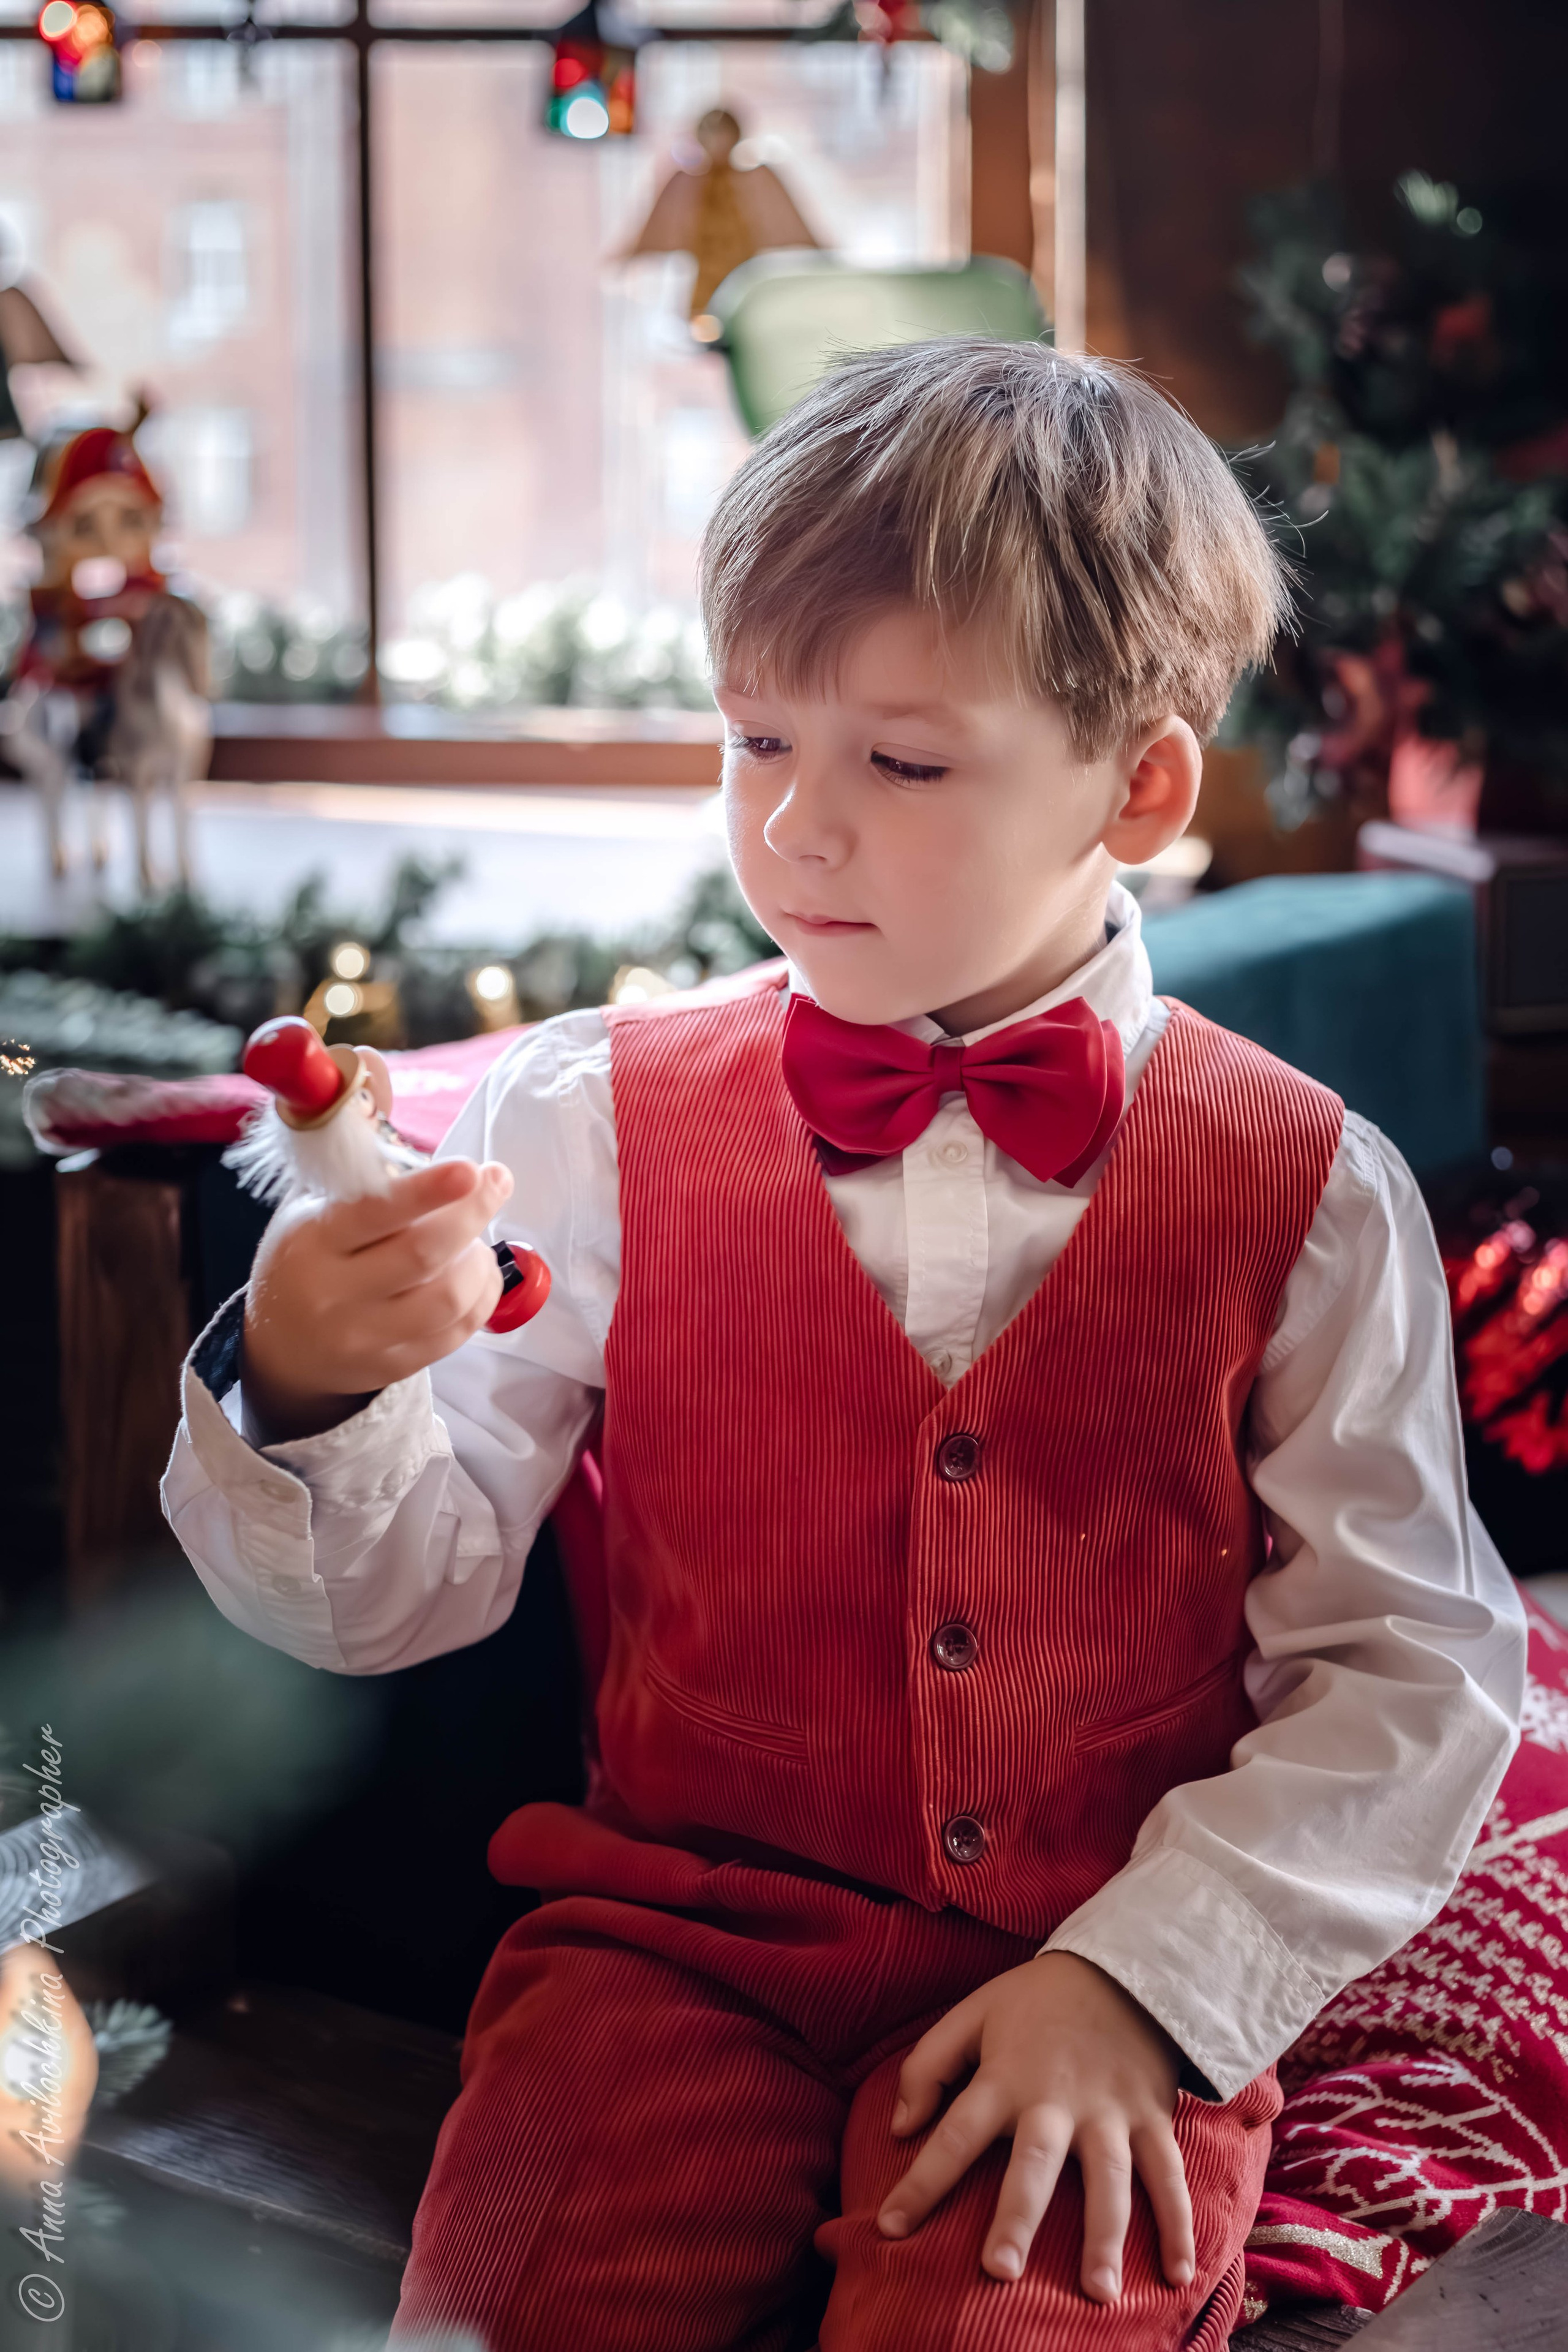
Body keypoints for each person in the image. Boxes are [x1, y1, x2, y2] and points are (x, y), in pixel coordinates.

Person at [164, 339, 1524, 2351]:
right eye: (752, 739)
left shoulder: (1307, 1184)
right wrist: (307, 1380)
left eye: (898, 762)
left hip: (1106, 1957)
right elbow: (401, 1600)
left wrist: (1156, 1982)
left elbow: (1407, 1673)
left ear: (1140, 786)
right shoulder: (587, 1117)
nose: (793, 833)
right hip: (664, 1957)